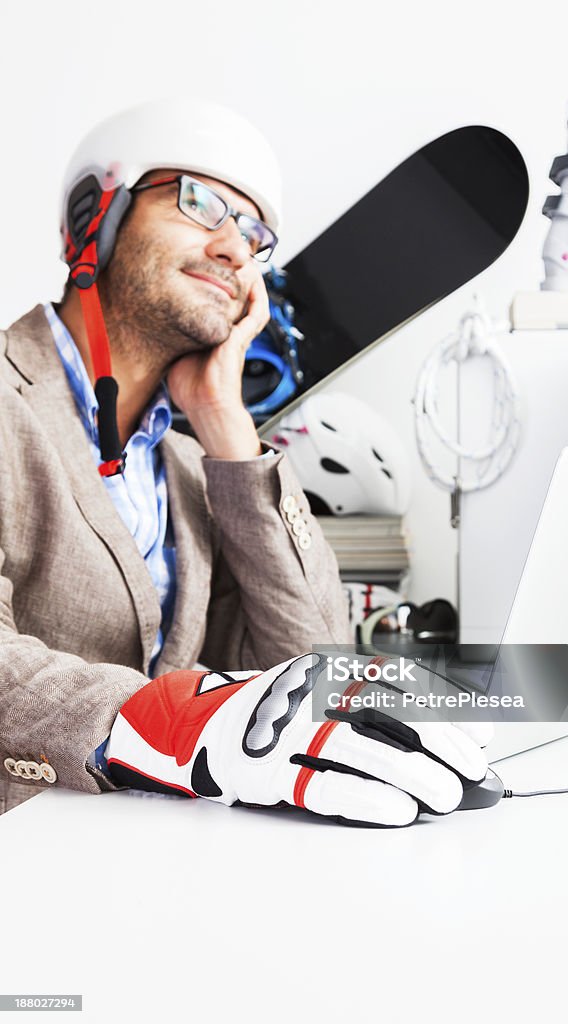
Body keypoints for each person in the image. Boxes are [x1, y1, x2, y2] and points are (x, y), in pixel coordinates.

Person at [0, 99, 491, 827]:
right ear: (92, 218)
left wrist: (228, 429)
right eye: (200, 203)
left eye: (256, 234)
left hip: (156, 869)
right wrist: (169, 721)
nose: (237, 249)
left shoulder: (191, 464)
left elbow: (310, 662)